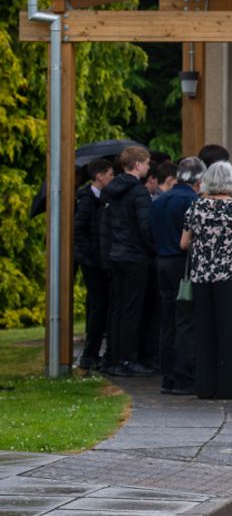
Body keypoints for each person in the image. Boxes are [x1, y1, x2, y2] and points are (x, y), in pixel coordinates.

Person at [180, 160, 232, 400]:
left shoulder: (196, 208)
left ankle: (205, 386)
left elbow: (183, 244)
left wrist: (203, 248)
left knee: (204, 330)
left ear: (207, 181)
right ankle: (229, 386)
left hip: (201, 276)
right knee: (229, 331)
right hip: (229, 275)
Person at [102, 145, 157, 378]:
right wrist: (153, 248)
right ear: (137, 165)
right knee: (133, 308)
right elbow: (146, 227)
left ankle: (114, 357)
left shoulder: (112, 191)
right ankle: (128, 358)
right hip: (135, 255)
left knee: (118, 307)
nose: (148, 167)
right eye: (146, 163)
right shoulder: (139, 192)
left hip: (116, 253)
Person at [150, 157, 203, 395]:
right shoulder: (192, 201)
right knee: (186, 320)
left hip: (162, 260)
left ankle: (167, 376)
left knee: (167, 319)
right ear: (198, 181)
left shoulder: (161, 200)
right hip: (183, 263)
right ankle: (184, 375)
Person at [73, 158, 114, 370]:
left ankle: (93, 352)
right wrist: (91, 256)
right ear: (99, 176)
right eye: (109, 174)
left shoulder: (99, 199)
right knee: (98, 306)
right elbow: (79, 231)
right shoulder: (87, 200)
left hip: (98, 259)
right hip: (92, 262)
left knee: (100, 305)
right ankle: (90, 354)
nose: (112, 178)